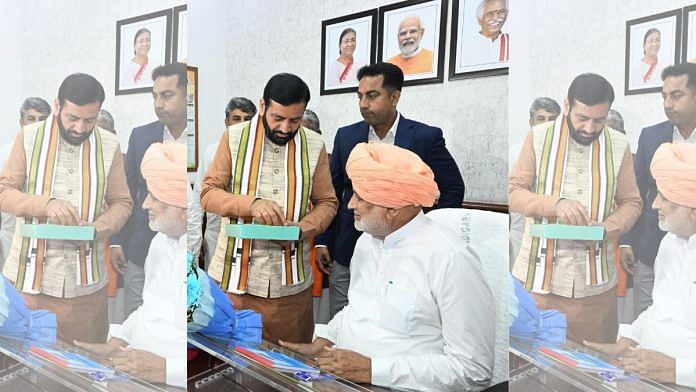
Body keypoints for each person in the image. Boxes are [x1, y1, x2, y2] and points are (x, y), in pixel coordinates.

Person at [281, 143, 494, 390]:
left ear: (392, 207)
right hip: (343, 382)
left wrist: (372, 370)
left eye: (360, 197)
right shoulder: (366, 242)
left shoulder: (450, 259)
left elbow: (473, 369)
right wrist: (329, 336)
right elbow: (360, 308)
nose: (350, 204)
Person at [316, 62, 464, 318]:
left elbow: (453, 188)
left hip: (408, 255)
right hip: (349, 248)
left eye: (372, 96)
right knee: (342, 320)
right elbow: (332, 193)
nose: (364, 103)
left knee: (392, 321)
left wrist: (422, 228)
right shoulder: (346, 136)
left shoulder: (424, 137)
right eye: (360, 96)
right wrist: (322, 242)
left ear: (394, 97)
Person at [200, 73, 338, 344]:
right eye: (278, 118)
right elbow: (207, 194)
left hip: (291, 289)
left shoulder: (314, 144)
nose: (285, 128)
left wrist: (300, 229)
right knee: (232, 369)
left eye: (294, 120)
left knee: (289, 369)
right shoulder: (234, 137)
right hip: (234, 283)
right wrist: (251, 204)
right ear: (262, 106)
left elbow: (328, 202)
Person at [510, 73, 642, 343]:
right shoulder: (538, 137)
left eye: (599, 120)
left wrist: (607, 228)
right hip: (537, 284)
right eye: (583, 118)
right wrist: (555, 205)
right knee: (532, 370)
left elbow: (632, 202)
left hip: (594, 288)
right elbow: (514, 193)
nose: (590, 128)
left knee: (591, 369)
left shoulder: (619, 144)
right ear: (567, 105)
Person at [0, 73, 133, 343]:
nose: (81, 128)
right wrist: (45, 204)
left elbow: (123, 202)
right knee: (26, 373)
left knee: (84, 368)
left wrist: (98, 228)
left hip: (85, 290)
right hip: (28, 286)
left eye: (89, 120)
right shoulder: (28, 137)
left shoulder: (109, 144)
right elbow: (4, 192)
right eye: (73, 118)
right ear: (58, 106)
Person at [75, 143, 187, 387]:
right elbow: (150, 309)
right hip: (135, 373)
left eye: (154, 198)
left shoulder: (200, 257)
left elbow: (216, 349)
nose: (145, 204)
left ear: (183, 209)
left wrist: (168, 370)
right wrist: (119, 340)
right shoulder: (159, 242)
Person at [586, 142, 696, 389]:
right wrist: (629, 339)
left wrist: (675, 370)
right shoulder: (669, 241)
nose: (655, 204)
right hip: (648, 378)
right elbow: (662, 309)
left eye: (666, 198)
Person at [110, 63, 187, 319]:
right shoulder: (142, 136)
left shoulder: (202, 138)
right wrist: (118, 241)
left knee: (179, 322)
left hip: (187, 251)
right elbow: (128, 192)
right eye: (154, 96)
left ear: (188, 95)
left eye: (166, 95)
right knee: (136, 317)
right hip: (142, 246)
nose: (158, 103)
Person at [620, 63, 696, 321]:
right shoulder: (651, 136)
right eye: (664, 96)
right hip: (652, 248)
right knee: (646, 320)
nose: (667, 104)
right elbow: (638, 192)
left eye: (676, 95)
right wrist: (628, 240)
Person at [193, 97, 257, 269]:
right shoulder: (211, 151)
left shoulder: (259, 154)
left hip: (250, 231)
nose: (242, 124)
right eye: (236, 119)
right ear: (226, 122)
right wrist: (196, 238)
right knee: (215, 289)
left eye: (247, 119)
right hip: (216, 231)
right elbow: (198, 198)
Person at [0, 98, 52, 267]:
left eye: (42, 119)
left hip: (45, 228)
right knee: (12, 285)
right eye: (31, 118)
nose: (36, 124)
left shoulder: (54, 153)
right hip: (12, 229)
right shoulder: (5, 153)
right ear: (21, 122)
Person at [509, 97, 562, 264]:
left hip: (555, 226)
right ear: (531, 121)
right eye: (541, 118)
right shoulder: (515, 152)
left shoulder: (564, 152)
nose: (546, 123)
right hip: (522, 227)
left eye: (552, 119)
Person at [469, 0, 509, 64]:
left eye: (501, 11)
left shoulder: (512, 42)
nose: (496, 17)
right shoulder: (468, 47)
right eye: (490, 13)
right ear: (480, 19)